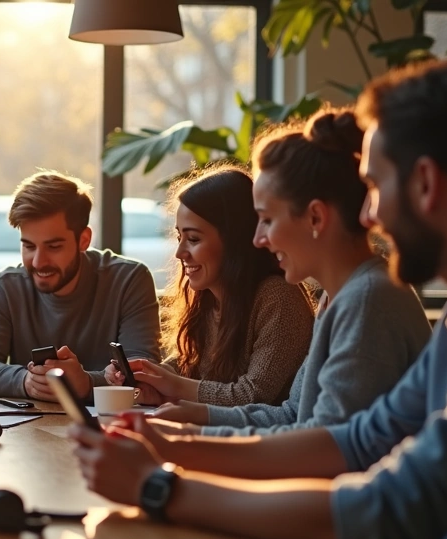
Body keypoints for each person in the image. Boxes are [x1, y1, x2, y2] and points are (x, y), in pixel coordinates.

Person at [74, 56, 447, 539]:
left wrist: (161, 485)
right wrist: (172, 446)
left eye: (375, 186)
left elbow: (392, 504)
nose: (368, 213)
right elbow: (356, 438)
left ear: (426, 184)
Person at [152, 109, 430, 434]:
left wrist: (191, 437)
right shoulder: (339, 297)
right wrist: (198, 417)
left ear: (315, 218)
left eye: (267, 220)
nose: (258, 239)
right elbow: (294, 415)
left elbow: (325, 446)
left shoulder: (368, 301)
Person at [106, 166, 316, 407]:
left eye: (193, 239)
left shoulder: (279, 298)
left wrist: (174, 386)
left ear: (235, 241)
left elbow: (252, 395)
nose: (179, 253)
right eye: (179, 237)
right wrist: (148, 381)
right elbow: (187, 367)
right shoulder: (207, 298)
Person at [0, 171, 160, 401]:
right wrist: (26, 381)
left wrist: (86, 384)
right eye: (29, 246)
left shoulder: (129, 280)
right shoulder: (5, 287)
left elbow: (144, 374)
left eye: (53, 247)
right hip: (32, 424)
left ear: (84, 240)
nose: (38, 262)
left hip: (112, 421)